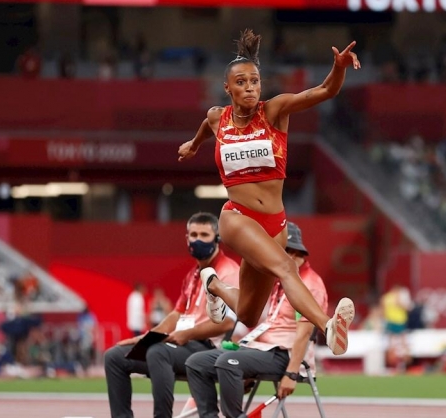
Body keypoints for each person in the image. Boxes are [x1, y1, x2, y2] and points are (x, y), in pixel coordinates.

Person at [178, 29, 359, 355]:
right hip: (236, 217)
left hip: (274, 224)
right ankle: (327, 325)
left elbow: (324, 90)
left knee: (247, 312)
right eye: (241, 82)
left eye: (255, 81)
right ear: (227, 87)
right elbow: (207, 126)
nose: (249, 88)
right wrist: (193, 145)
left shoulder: (274, 111)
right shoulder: (218, 118)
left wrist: (339, 67)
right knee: (285, 268)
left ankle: (213, 284)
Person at [104, 212, 240, 418]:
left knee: (158, 352)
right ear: (187, 239)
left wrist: (187, 335)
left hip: (209, 347)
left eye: (204, 234)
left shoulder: (228, 271)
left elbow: (227, 324)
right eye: (193, 234)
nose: (198, 239)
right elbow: (176, 314)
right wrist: (148, 336)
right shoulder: (193, 275)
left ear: (217, 238)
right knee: (114, 356)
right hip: (181, 344)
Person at [185, 222, 326, 418]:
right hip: (263, 349)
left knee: (228, 361)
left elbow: (304, 333)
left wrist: (292, 373)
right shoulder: (281, 279)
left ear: (289, 253)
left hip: (286, 355)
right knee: (196, 362)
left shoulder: (309, 285)